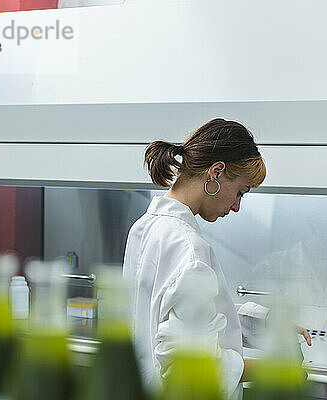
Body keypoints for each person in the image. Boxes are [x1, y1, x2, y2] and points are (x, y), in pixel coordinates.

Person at [122, 118, 310, 399]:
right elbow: (189, 362)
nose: (236, 206)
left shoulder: (147, 226)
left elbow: (178, 313)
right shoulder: (189, 248)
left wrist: (267, 322)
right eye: (240, 192)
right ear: (217, 172)